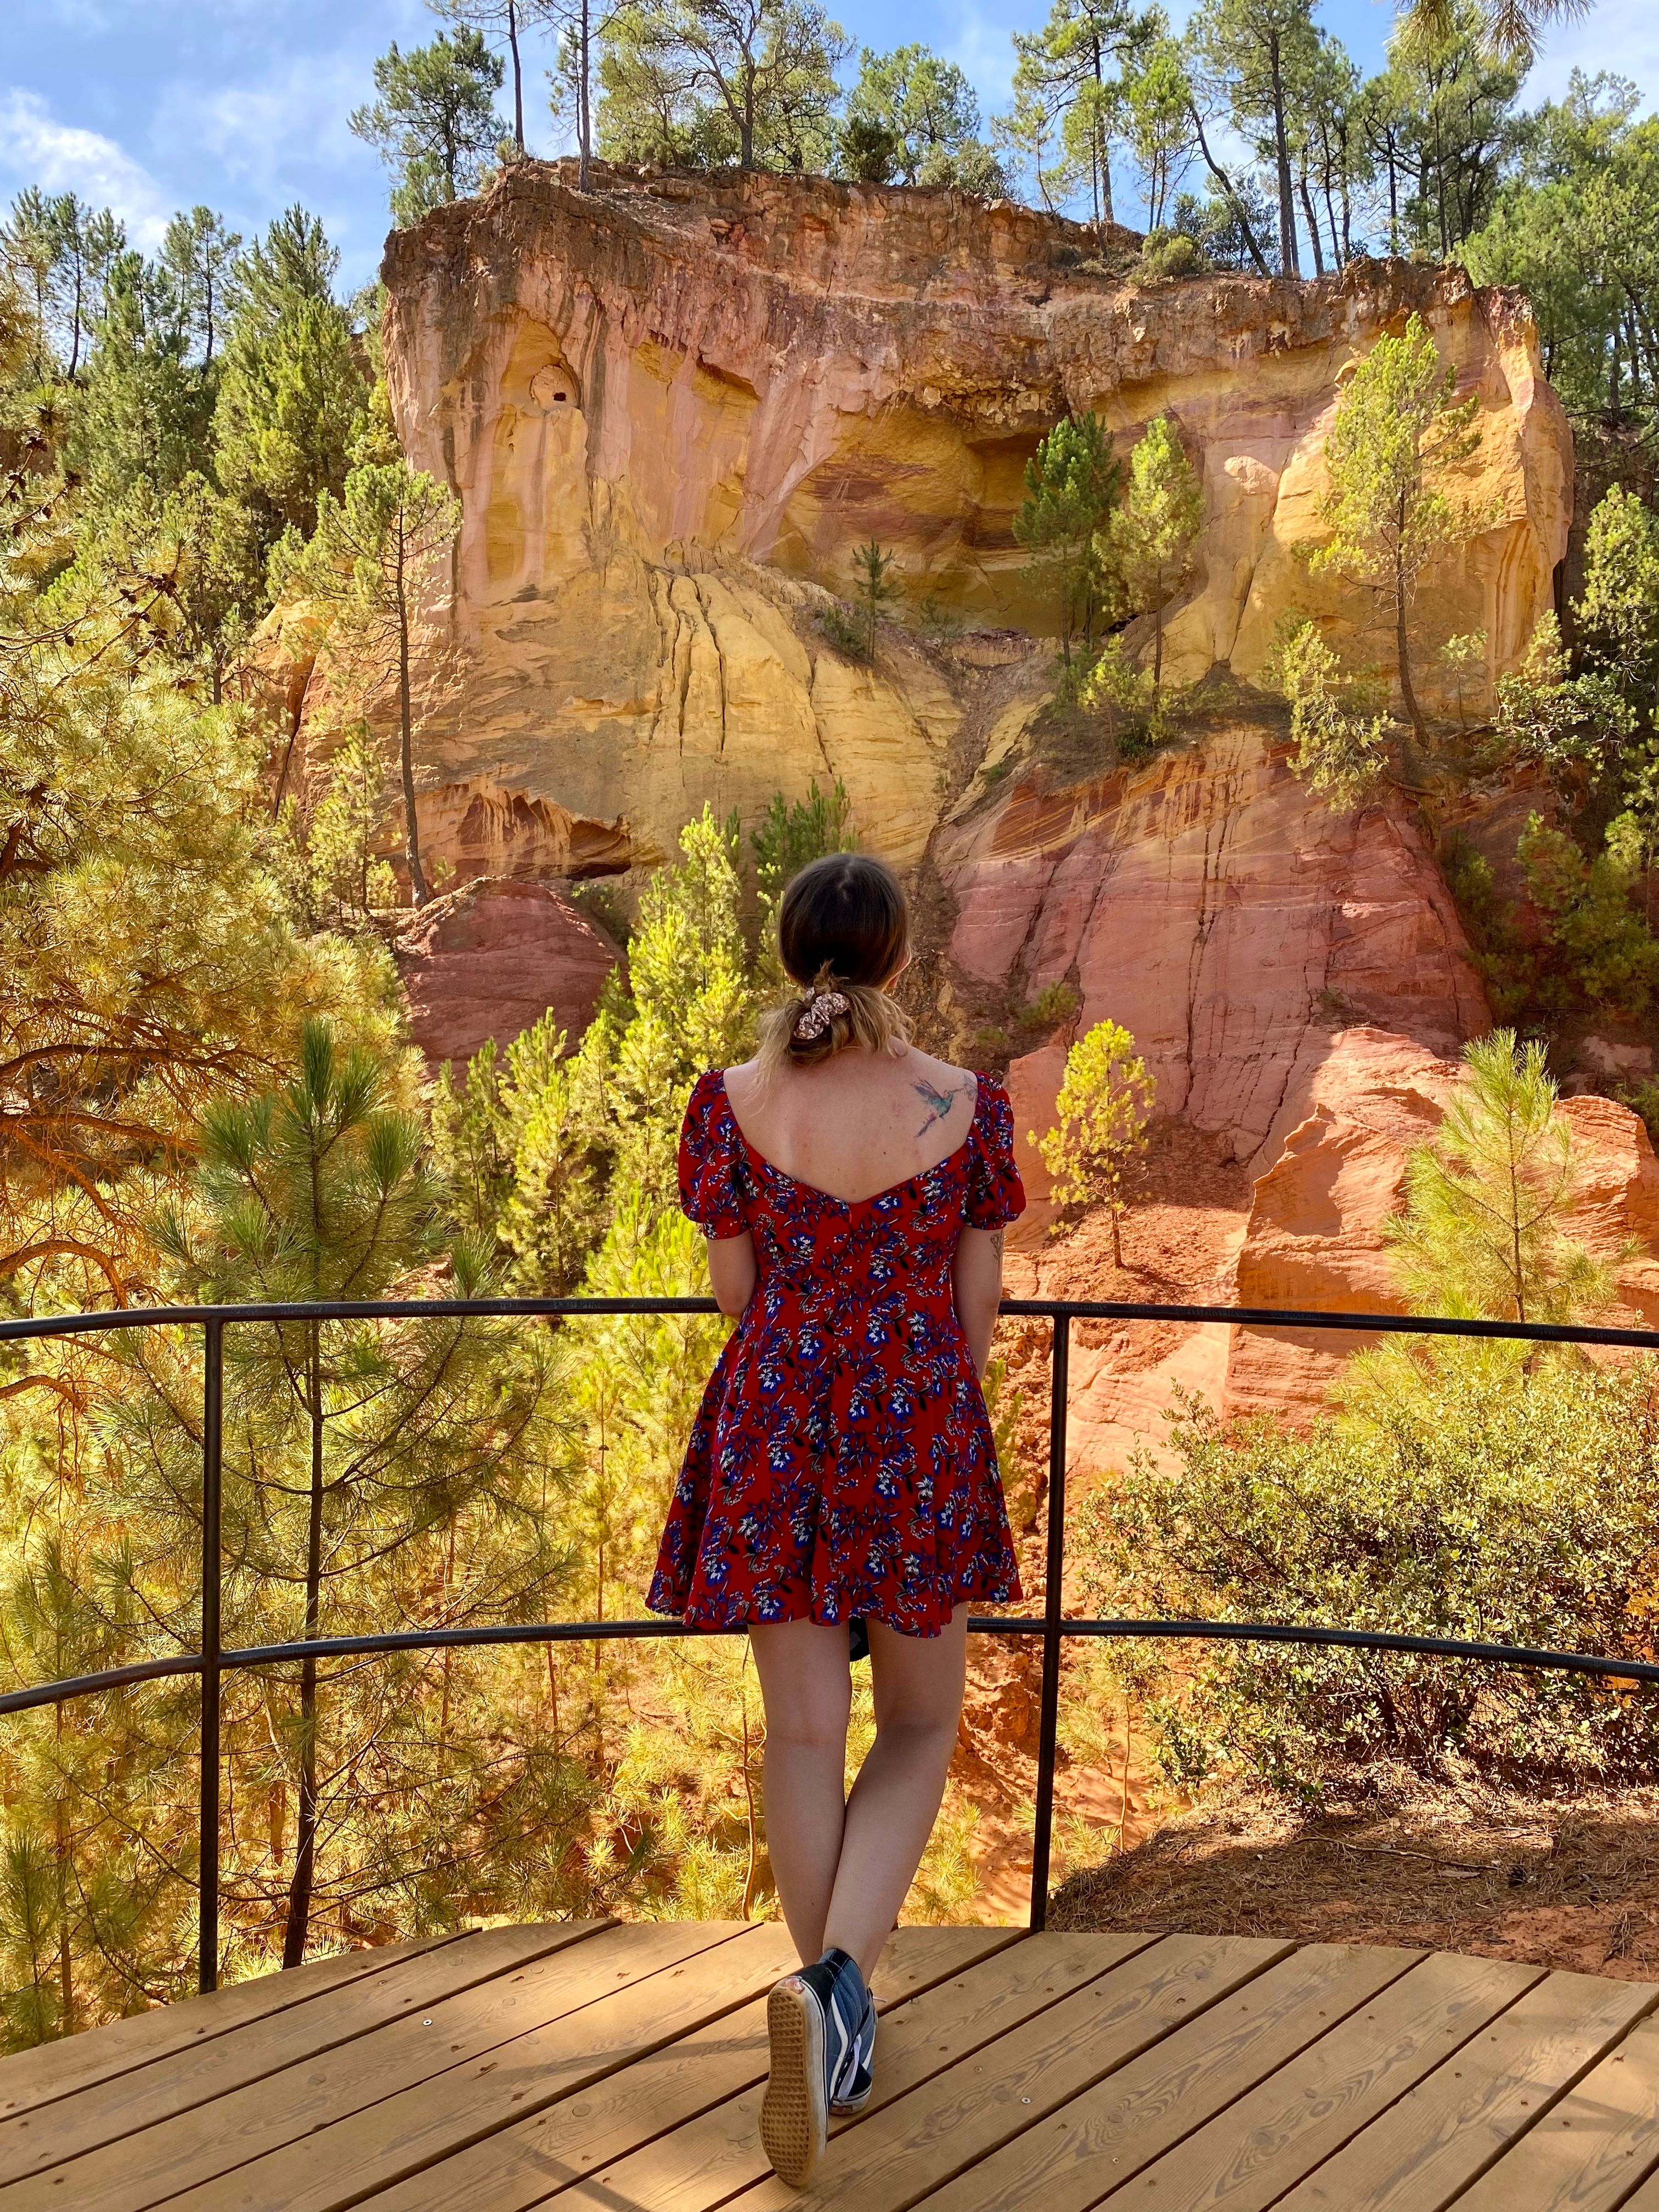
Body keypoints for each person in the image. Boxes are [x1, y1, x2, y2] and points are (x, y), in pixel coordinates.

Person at [647, 850, 1025, 2190]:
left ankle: (824, 2015)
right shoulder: (967, 1107)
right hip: (914, 1423)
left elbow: (734, 1302)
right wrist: (901, 1369)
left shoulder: (731, 1102)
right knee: (923, 1721)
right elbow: (975, 1329)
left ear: (789, 952)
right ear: (900, 960)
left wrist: (813, 1347)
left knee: (802, 1732)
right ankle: (840, 2007)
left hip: (773, 1426)